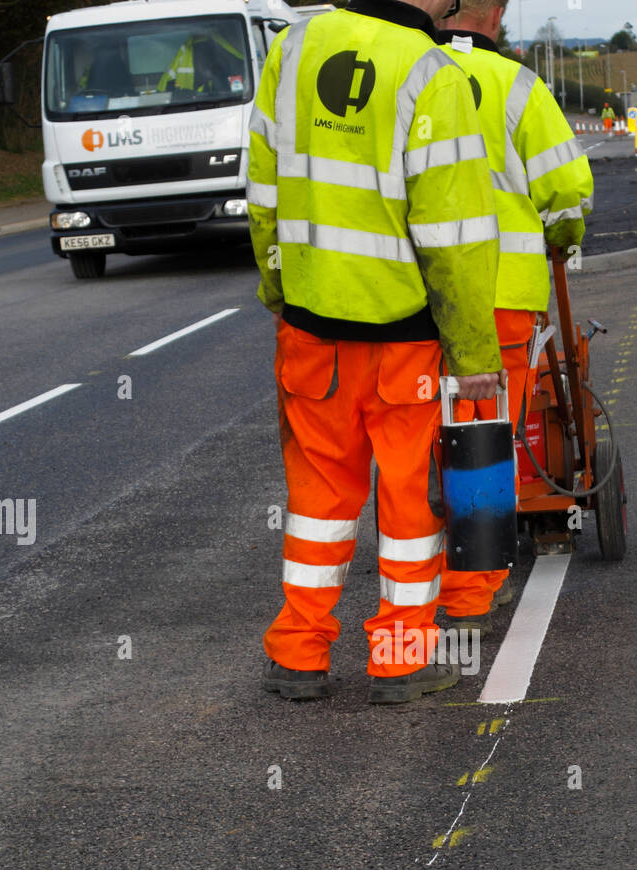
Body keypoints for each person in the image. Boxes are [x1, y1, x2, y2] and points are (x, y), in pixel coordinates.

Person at [248, 0, 505, 703]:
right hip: (404, 339)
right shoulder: (433, 74)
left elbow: (263, 194)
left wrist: (279, 287)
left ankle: (299, 653)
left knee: (317, 500)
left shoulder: (292, 51)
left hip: (309, 329)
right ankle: (398, 660)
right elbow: (453, 236)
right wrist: (472, 349)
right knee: (408, 504)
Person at [436, 0, 593, 633]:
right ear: (495, 14)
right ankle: (474, 588)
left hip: (423, 295)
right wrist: (566, 233)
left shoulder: (409, 73)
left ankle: (426, 580)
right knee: (488, 436)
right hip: (503, 293)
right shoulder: (517, 86)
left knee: (432, 433)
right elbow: (564, 191)